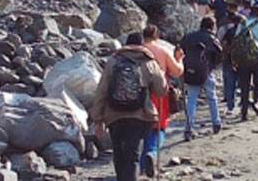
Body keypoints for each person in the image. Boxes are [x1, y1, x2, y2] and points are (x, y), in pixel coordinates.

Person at [89, 33, 168, 181]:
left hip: (114, 114)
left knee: (119, 155)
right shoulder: (149, 62)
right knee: (133, 156)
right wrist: (162, 76)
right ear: (141, 45)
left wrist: (98, 119)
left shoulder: (113, 61)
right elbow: (160, 91)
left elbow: (102, 90)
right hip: (140, 115)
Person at [140, 26, 184, 176]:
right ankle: (151, 154)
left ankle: (142, 164)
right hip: (158, 93)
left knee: (144, 126)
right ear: (157, 36)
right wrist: (179, 59)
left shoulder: (137, 50)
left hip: (138, 92)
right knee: (159, 127)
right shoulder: (162, 51)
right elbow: (177, 71)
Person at [180, 17, 223, 140]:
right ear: (211, 26)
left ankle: (188, 128)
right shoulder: (212, 38)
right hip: (206, 71)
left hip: (190, 71)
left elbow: (180, 50)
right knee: (212, 97)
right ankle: (216, 123)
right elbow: (220, 53)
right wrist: (212, 66)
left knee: (191, 100)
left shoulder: (189, 37)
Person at [233, 4, 258, 121]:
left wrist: (235, 60)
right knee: (257, 83)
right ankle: (255, 102)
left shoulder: (242, 24)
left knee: (244, 84)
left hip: (243, 59)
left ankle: (244, 111)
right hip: (257, 60)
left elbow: (236, 41)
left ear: (249, 13)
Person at [218, 14, 242, 116]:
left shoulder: (228, 31)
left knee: (229, 84)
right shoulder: (245, 32)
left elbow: (223, 44)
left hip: (229, 60)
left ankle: (230, 106)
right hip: (243, 61)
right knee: (242, 83)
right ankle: (242, 104)